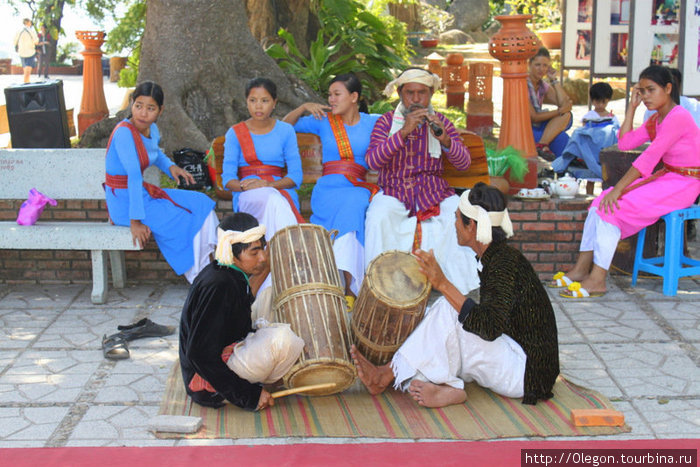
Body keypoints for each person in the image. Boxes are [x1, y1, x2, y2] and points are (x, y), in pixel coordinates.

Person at [351, 183, 560, 408]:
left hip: (527, 374)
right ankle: (438, 382)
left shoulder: (503, 266)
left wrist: (442, 283)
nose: (454, 224)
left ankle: (386, 376)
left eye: (458, 218)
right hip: (518, 358)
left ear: (471, 227)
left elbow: (488, 329)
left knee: (447, 312)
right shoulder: (498, 256)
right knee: (439, 320)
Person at [553, 65, 700, 298]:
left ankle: (598, 279)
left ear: (668, 88)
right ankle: (581, 269)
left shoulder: (677, 117)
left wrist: (618, 189)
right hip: (669, 178)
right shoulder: (657, 119)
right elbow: (625, 143)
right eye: (641, 91)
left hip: (684, 184)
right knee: (599, 203)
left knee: (613, 207)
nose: (645, 96)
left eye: (651, 90)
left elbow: (648, 158)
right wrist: (631, 108)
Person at [364, 67, 479, 295]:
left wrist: (445, 139)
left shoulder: (441, 122)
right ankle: (380, 287)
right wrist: (403, 132)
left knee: (457, 215)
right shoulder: (387, 123)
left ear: (431, 95)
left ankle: (460, 288)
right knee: (378, 218)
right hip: (394, 192)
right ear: (400, 94)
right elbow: (372, 162)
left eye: (422, 93)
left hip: (433, 192)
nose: (416, 99)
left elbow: (464, 163)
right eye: (410, 93)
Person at [180, 213, 301, 410]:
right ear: (232, 253)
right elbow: (199, 353)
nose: (262, 257)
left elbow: (240, 306)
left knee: (276, 311)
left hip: (229, 353)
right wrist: (247, 395)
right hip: (205, 380)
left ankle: (259, 382)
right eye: (254, 253)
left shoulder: (228, 273)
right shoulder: (218, 285)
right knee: (283, 340)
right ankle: (231, 390)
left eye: (262, 249)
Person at [104, 81, 218, 283]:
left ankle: (208, 267)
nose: (143, 113)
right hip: (124, 203)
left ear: (160, 110)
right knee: (180, 219)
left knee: (201, 203)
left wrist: (172, 168)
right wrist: (135, 222)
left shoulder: (152, 130)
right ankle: (198, 278)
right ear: (131, 103)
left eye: (150, 108)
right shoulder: (123, 133)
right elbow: (134, 175)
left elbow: (155, 156)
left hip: (142, 195)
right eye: (138, 105)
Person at [283, 73, 380, 301]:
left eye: (337, 94)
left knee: (355, 205)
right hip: (327, 189)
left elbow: (401, 127)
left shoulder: (373, 122)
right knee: (351, 208)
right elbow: (283, 127)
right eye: (330, 95)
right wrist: (303, 107)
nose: (331, 99)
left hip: (357, 187)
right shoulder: (323, 121)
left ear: (354, 96)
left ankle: (348, 287)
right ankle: (342, 287)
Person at [222, 77, 303, 243]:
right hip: (247, 194)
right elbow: (228, 180)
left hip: (280, 191)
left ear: (274, 103)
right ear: (246, 102)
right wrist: (246, 187)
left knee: (275, 200)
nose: (258, 106)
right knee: (274, 201)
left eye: (264, 100)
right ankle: (290, 248)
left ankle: (277, 260)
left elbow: (295, 176)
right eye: (253, 100)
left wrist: (268, 185)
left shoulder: (285, 131)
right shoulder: (235, 133)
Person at [552, 82, 620, 179]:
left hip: (604, 151)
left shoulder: (612, 117)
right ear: (592, 101)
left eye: (603, 102)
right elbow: (584, 133)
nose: (600, 105)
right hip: (590, 151)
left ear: (608, 100)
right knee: (590, 180)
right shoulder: (590, 116)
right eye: (597, 102)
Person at [527, 47, 573, 161]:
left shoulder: (542, 85)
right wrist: (559, 111)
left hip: (539, 126)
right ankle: (544, 146)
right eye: (537, 65)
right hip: (524, 127)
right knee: (560, 137)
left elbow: (565, 103)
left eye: (545, 66)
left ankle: (542, 144)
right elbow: (534, 117)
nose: (541, 69)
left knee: (567, 116)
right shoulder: (522, 84)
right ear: (529, 64)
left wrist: (554, 80)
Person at [13, 18, 38, 84]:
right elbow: (36, 41)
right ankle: (26, 83)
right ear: (28, 22)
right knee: (28, 69)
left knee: (25, 69)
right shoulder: (31, 31)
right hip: (30, 52)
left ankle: (26, 82)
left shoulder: (19, 31)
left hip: (21, 52)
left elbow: (14, 41)